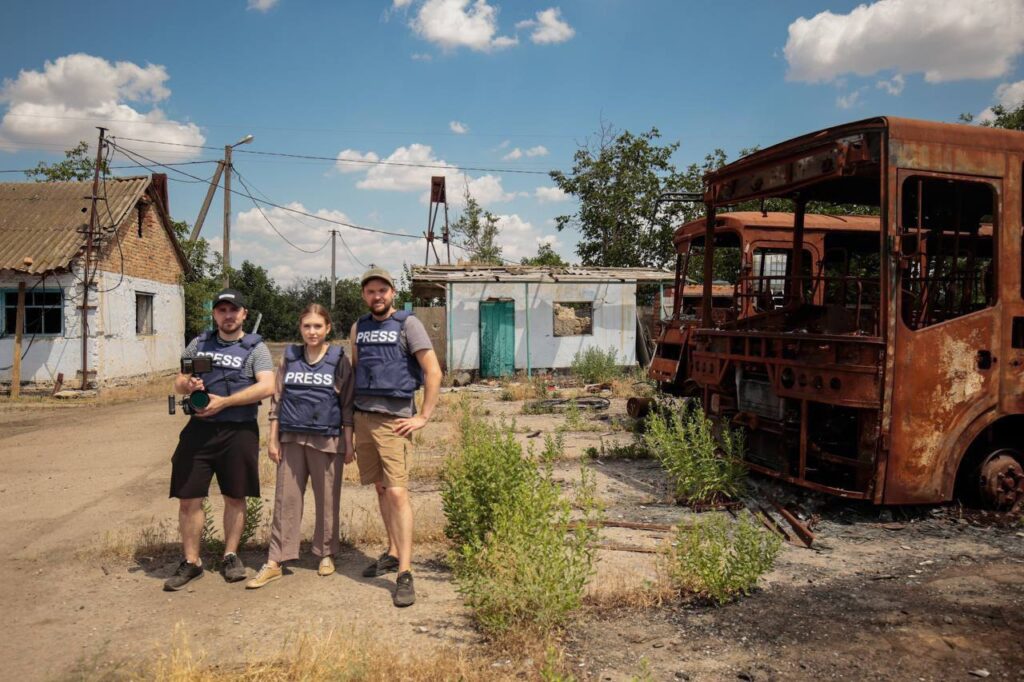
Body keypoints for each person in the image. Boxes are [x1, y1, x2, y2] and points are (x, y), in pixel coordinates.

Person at [165, 288, 275, 591]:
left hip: (238, 430)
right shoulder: (198, 344)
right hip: (199, 431)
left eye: (233, 310)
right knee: (189, 497)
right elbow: (178, 381)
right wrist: (187, 384)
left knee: (235, 496)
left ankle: (230, 556)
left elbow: (267, 386)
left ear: (243, 315)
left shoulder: (256, 348)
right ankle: (191, 561)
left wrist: (224, 402)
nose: (228, 315)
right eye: (222, 310)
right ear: (215, 314)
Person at [246, 304, 355, 589]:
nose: (312, 331)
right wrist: (272, 438)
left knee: (328, 499)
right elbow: (277, 402)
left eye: (318, 326)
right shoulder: (289, 357)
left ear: (328, 328)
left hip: (327, 439)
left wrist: (349, 443)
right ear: (300, 328)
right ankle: (275, 560)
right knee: (286, 500)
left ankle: (326, 553)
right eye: (307, 326)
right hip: (292, 438)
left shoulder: (339, 360)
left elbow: (347, 407)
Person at [351, 268, 442, 607]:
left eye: (383, 290)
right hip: (363, 418)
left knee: (399, 492)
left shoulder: (408, 324)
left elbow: (433, 371)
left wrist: (423, 416)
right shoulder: (358, 327)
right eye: (371, 291)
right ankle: (391, 551)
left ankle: (404, 572)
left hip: (396, 421)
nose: (377, 296)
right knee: (380, 488)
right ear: (364, 295)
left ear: (392, 292)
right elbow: (356, 372)